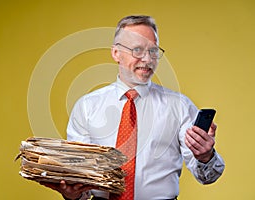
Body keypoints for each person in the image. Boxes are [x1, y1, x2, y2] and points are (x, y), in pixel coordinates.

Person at [41, 15, 225, 200]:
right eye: (137, 49)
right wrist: (72, 194)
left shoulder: (180, 106)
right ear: (116, 53)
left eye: (153, 50)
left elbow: (207, 177)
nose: (147, 59)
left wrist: (205, 157)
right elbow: (80, 185)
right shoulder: (87, 107)